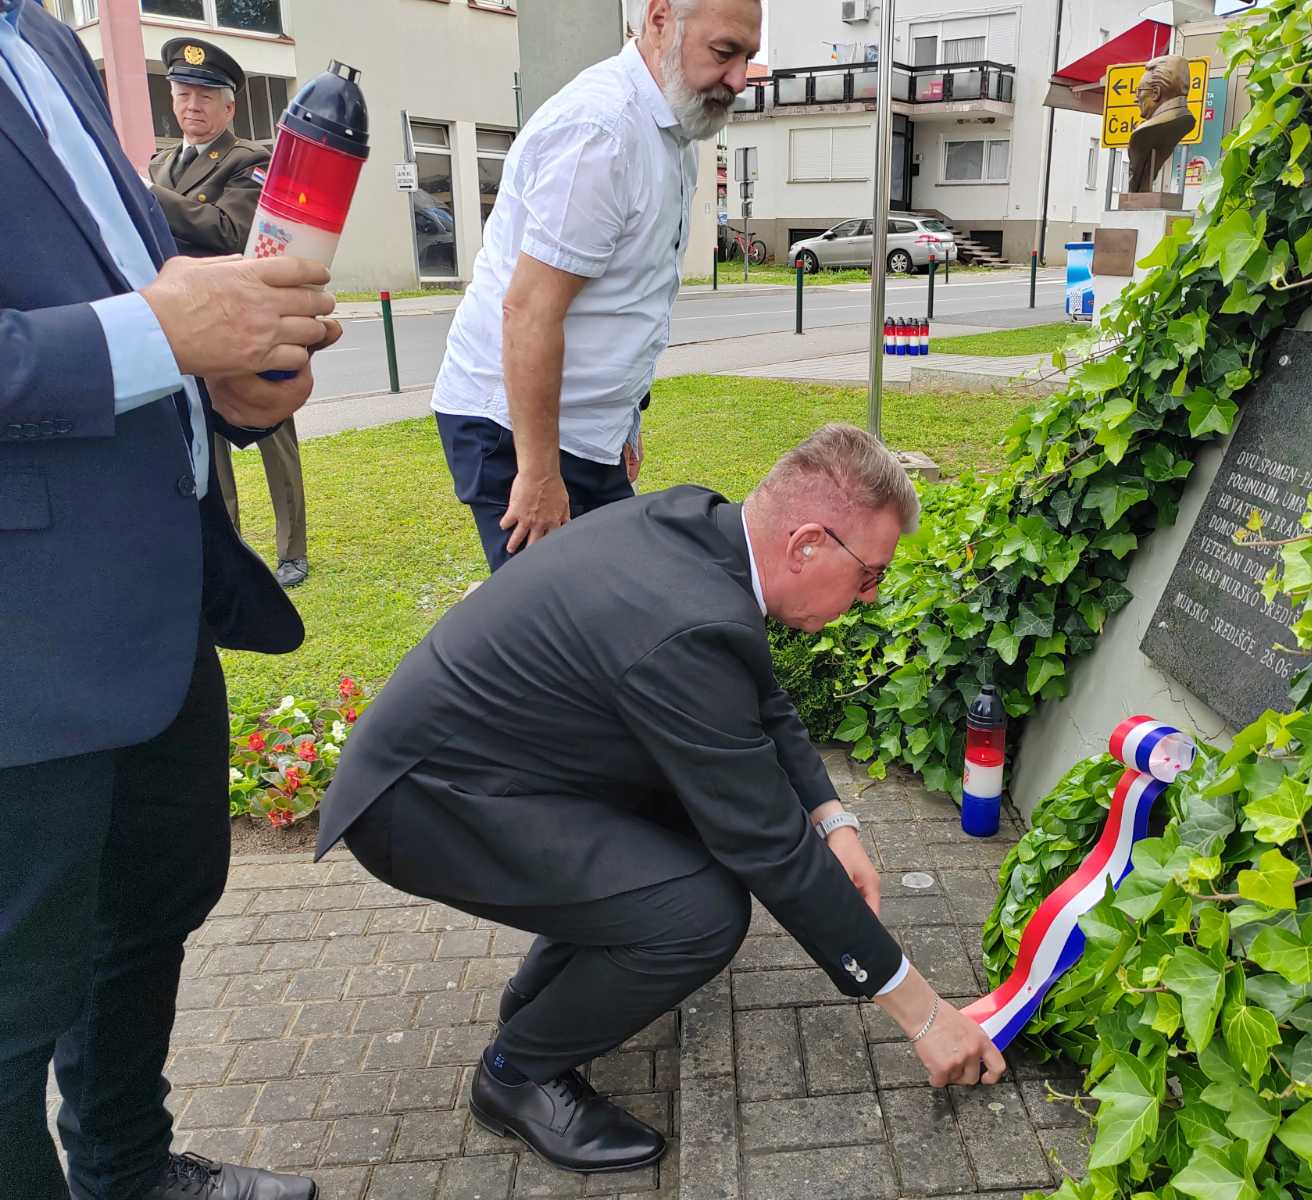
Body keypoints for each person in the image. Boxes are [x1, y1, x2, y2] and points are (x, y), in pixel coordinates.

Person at [316, 425, 1007, 1175]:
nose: (868, 597)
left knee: (685, 859)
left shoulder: (697, 525)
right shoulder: (687, 621)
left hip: (493, 770)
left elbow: (760, 695)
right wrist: (925, 1014)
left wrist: (833, 819)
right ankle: (517, 1074)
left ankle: (543, 1001)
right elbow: (769, 849)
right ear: (807, 544)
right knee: (699, 916)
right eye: (869, 575)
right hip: (424, 804)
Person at [0, 3, 339, 1198]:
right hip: (21, 638)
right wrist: (152, 336)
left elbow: (120, 266)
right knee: (10, 1021)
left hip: (155, 597)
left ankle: (129, 1173)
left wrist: (224, 379)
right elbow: (133, 317)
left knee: (149, 916)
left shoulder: (36, 38)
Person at [431, 0, 760, 571]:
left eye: (748, 58)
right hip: (513, 431)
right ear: (660, 20)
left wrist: (621, 422)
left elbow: (628, 299)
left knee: (604, 605)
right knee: (556, 628)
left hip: (582, 430)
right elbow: (531, 312)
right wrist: (537, 475)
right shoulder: (601, 132)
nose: (738, 78)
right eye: (724, 53)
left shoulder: (674, 130)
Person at [149, 36, 313, 589]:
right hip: (184, 321)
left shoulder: (250, 161)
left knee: (272, 434)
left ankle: (293, 547)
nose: (191, 106)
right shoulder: (161, 163)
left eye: (204, 95)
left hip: (244, 314)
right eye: (182, 93)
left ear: (229, 107)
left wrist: (152, 195)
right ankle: (230, 542)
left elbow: (229, 230)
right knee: (205, 438)